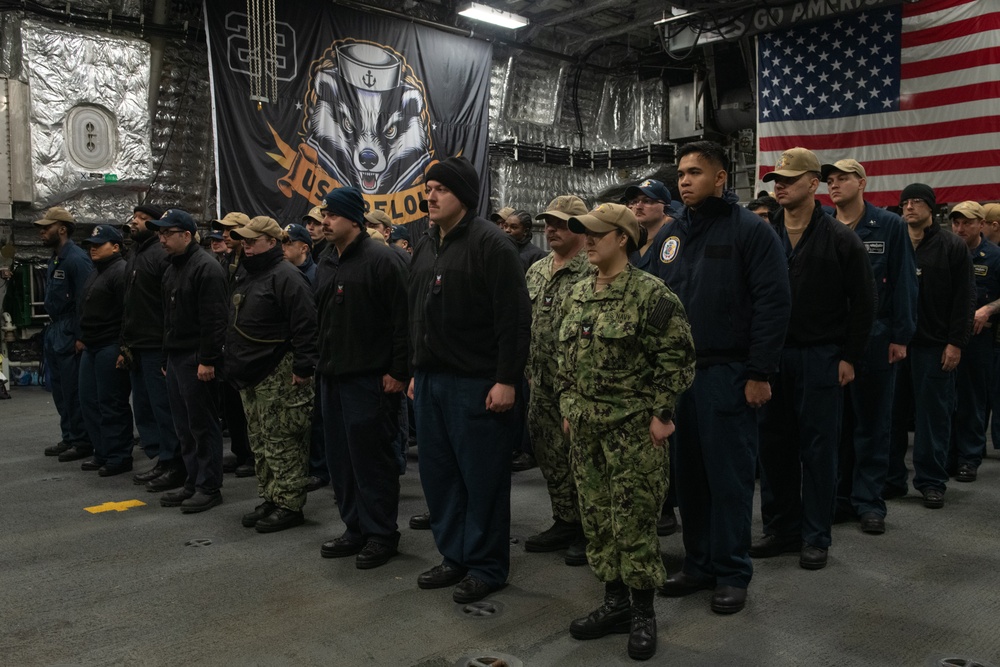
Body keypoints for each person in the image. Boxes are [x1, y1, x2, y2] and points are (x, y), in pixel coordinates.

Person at [654, 141, 790, 615]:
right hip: (680, 378)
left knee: (728, 478)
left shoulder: (750, 231)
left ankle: (731, 571)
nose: (685, 180)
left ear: (720, 179)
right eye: (681, 173)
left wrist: (759, 372)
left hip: (728, 372)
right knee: (689, 475)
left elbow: (774, 304)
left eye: (695, 172)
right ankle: (699, 563)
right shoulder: (672, 236)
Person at [558, 202, 695, 662]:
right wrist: (567, 404)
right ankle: (614, 603)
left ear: (623, 239)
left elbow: (677, 359)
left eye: (597, 233)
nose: (589, 240)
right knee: (596, 518)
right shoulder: (578, 293)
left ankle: (642, 612)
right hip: (586, 429)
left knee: (634, 521)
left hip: (633, 430)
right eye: (586, 233)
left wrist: (661, 413)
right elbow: (565, 357)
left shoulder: (651, 295)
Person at [408, 157, 530, 604]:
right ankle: (454, 556)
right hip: (431, 381)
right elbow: (415, 313)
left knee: (482, 480)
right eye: (428, 187)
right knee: (440, 477)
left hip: (477, 383)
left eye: (440, 188)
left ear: (464, 195)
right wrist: (414, 370)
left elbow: (514, 320)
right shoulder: (426, 245)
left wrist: (506, 380)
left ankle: (486, 565)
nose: (430, 195)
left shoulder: (491, 245)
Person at [753, 147, 875, 570]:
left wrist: (849, 356)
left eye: (789, 178)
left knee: (819, 448)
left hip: (822, 355)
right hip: (774, 356)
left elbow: (863, 303)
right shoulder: (765, 236)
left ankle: (815, 535)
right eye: (776, 180)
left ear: (813, 183)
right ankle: (780, 528)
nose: (780, 186)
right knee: (773, 444)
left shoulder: (841, 239)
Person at [315, 187, 409, 568]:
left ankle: (381, 533)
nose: (324, 221)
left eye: (332, 215)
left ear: (354, 219)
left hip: (370, 378)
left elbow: (404, 321)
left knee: (372, 459)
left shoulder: (383, 259)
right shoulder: (326, 260)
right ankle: (354, 527)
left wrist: (398, 371)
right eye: (324, 215)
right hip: (332, 376)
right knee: (341, 460)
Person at [824, 159, 917, 536]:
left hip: (877, 340)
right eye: (829, 180)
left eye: (842, 179)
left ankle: (870, 502)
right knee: (838, 426)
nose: (834, 185)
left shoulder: (890, 225)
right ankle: (842, 498)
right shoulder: (823, 225)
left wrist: (901, 335)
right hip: (833, 342)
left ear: (862, 183)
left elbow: (903, 282)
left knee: (873, 424)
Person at [227, 216, 318, 532]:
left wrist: (303, 367)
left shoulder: (287, 276)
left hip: (279, 371)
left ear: (272, 242)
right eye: (245, 242)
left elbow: (307, 325)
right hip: (252, 373)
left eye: (253, 241)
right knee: (261, 442)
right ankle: (271, 495)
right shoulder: (250, 275)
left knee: (283, 441)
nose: (247, 247)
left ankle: (290, 504)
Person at [885, 184, 973, 508]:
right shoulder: (896, 244)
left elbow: (965, 299)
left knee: (932, 418)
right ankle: (891, 478)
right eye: (905, 202)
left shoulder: (951, 246)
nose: (909, 207)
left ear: (932, 208)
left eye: (917, 202)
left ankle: (931, 481)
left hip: (934, 346)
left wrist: (955, 343)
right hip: (897, 345)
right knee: (891, 416)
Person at [523, 194, 592, 566]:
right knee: (549, 453)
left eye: (561, 223)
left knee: (581, 457)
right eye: (548, 222)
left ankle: (588, 527)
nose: (550, 228)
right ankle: (565, 519)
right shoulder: (537, 269)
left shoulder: (592, 269)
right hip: (541, 382)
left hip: (578, 386)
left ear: (580, 227)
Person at [151, 209, 229, 513]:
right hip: (176, 355)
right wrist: (165, 355)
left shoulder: (206, 268)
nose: (162, 239)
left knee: (202, 424)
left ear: (186, 235)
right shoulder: (172, 269)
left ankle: (209, 486)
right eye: (160, 234)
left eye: (167, 234)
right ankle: (193, 480)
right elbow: (167, 318)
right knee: (183, 425)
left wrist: (208, 359)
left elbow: (215, 319)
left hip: (198, 356)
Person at [624, 178, 681, 536]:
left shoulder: (671, 240)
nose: (639, 206)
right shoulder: (631, 243)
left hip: (660, 346)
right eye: (634, 201)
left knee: (664, 430)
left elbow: (668, 296)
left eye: (647, 201)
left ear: (664, 205)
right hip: (632, 352)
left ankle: (667, 506)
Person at [121, 203, 185, 491]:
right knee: (145, 407)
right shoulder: (136, 253)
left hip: (156, 344)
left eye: (142, 219)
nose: (134, 223)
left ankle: (174, 463)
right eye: (134, 218)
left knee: (163, 407)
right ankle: (161, 458)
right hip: (137, 342)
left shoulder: (161, 256)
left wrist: (166, 345)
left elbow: (170, 304)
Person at [947, 201, 1000, 483]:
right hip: (946, 336)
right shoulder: (946, 251)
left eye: (967, 222)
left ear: (981, 224)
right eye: (956, 222)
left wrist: (990, 308)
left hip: (979, 339)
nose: (960, 228)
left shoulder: (994, 256)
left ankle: (969, 457)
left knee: (971, 399)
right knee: (946, 399)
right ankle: (949, 455)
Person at [35, 207, 94, 461]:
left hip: (70, 329)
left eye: (46, 227)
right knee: (59, 389)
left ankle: (82, 441)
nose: (42, 231)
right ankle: (69, 436)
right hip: (56, 328)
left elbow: (86, 299)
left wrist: (82, 336)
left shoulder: (76, 259)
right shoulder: (56, 257)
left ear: (61, 229)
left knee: (73, 390)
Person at [77, 225, 134, 476]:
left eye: (98, 244)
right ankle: (102, 452)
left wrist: (124, 348)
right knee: (90, 401)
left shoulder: (120, 271)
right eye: (91, 243)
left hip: (110, 344)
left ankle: (119, 456)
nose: (93, 247)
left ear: (116, 246)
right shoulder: (96, 271)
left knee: (112, 403)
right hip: (92, 346)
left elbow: (128, 313)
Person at [213, 211, 254, 478]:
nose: (226, 235)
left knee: (247, 406)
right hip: (229, 342)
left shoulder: (250, 263)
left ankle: (250, 455)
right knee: (231, 405)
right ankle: (240, 451)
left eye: (231, 230)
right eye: (225, 230)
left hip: (246, 345)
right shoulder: (229, 260)